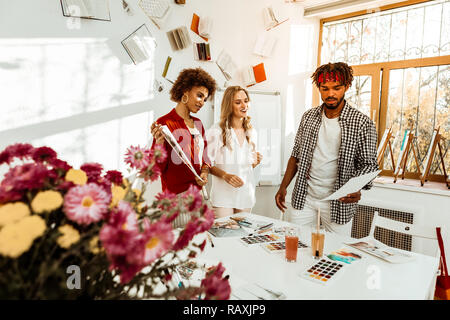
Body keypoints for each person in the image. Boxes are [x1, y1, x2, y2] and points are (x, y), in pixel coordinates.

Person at [275, 62, 378, 236]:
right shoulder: (308, 117)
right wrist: (283, 186)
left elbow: (369, 165)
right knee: (294, 244)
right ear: (319, 88)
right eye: (325, 88)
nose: (330, 94)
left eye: (336, 88)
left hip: (339, 202)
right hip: (304, 197)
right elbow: (295, 155)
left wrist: (357, 189)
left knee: (336, 253)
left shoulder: (362, 122)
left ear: (346, 86)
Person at [150, 67, 216, 200]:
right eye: (199, 95)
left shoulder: (198, 123)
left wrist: (204, 171)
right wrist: (159, 144)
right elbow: (156, 168)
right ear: (185, 91)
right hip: (175, 198)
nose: (202, 102)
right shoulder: (164, 123)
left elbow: (205, 156)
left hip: (198, 195)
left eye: (204, 99)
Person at [206, 86, 262, 218]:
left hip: (245, 194)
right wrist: (225, 175)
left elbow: (247, 166)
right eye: (238, 102)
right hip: (223, 197)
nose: (244, 105)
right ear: (229, 105)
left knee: (242, 236)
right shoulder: (216, 130)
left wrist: (255, 162)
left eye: (246, 101)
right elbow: (207, 163)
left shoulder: (252, 132)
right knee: (225, 234)